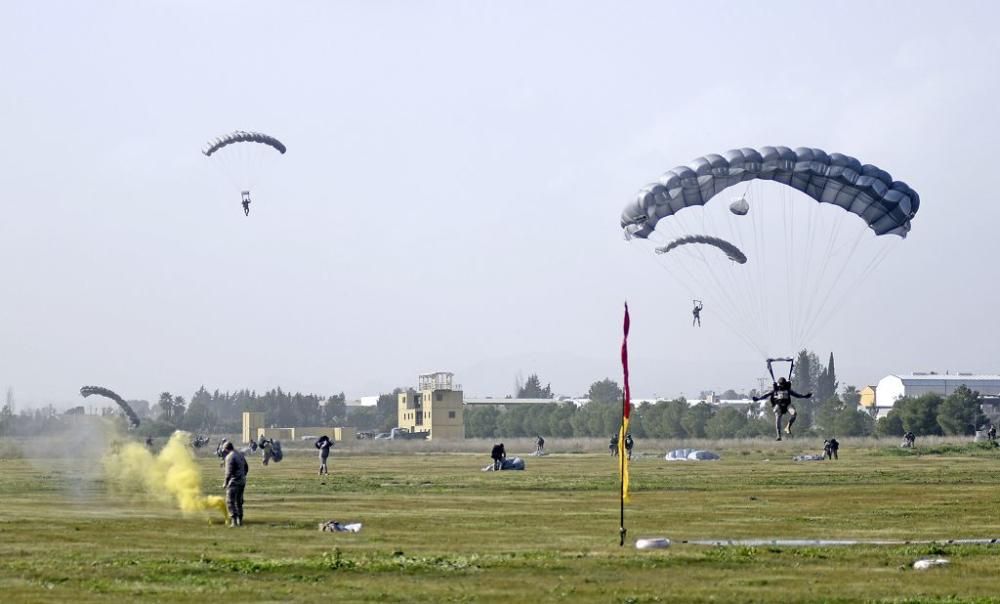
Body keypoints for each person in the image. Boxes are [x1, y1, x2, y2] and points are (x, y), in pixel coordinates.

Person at [222, 440, 249, 527]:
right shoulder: (240, 454)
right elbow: (246, 467)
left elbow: (228, 473)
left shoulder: (229, 457)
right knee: (239, 502)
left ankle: (234, 521)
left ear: (226, 449)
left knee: (230, 501)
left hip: (234, 482)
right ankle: (240, 521)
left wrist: (225, 483)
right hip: (242, 481)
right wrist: (242, 476)